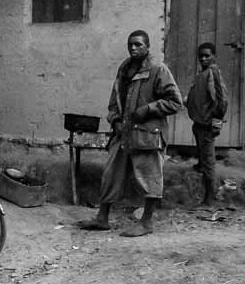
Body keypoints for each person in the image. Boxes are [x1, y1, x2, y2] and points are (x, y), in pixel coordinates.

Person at [77, 30, 182, 237]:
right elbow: (114, 101)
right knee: (110, 175)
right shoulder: (124, 69)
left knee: (149, 178)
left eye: (138, 44)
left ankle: (146, 222)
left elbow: (175, 101)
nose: (133, 48)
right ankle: (102, 218)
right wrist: (115, 120)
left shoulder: (157, 70)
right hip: (123, 133)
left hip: (147, 135)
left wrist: (148, 109)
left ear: (147, 46)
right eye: (130, 45)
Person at [186, 42, 228, 208]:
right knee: (199, 142)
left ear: (214, 56)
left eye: (207, 56)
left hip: (208, 123)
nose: (203, 59)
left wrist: (216, 123)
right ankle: (200, 164)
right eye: (201, 56)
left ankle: (210, 197)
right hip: (199, 121)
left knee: (209, 158)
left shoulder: (213, 73)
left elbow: (221, 100)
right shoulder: (203, 73)